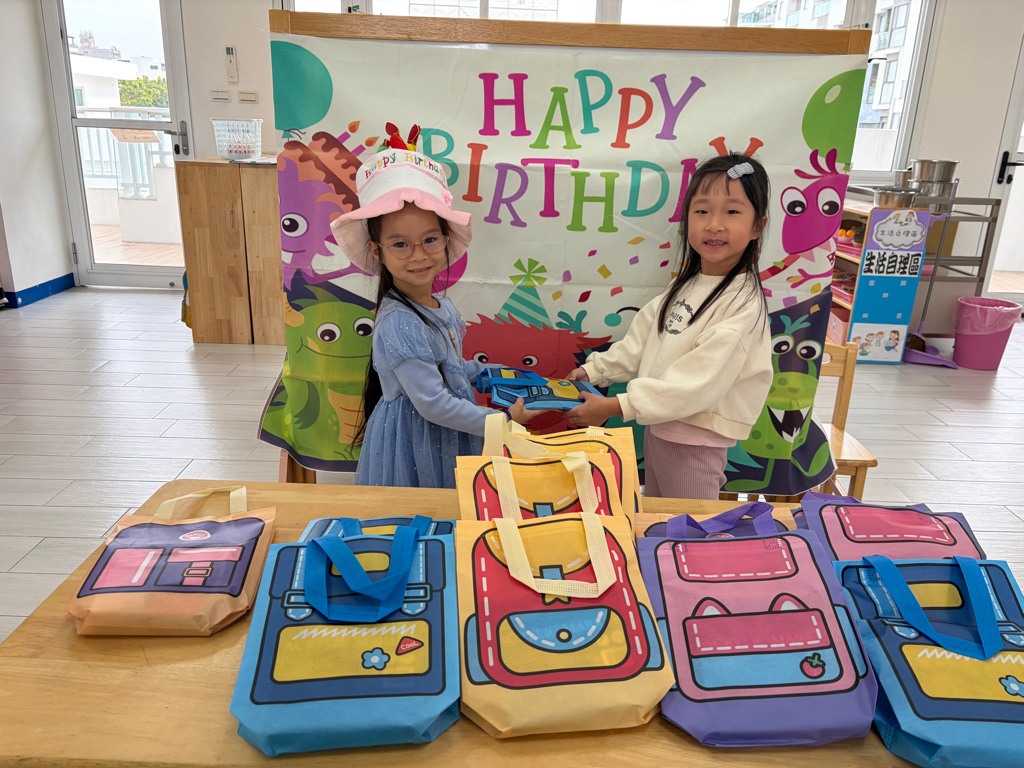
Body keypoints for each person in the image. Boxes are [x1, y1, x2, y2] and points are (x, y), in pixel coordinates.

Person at [331, 123, 534, 488]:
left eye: (429, 239)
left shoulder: (440, 305)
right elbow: (433, 403)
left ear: (445, 239)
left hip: (444, 433)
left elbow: (450, 368)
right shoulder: (400, 322)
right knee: (423, 510)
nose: (418, 255)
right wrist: (502, 422)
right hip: (417, 442)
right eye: (400, 244)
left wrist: (494, 374)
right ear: (377, 251)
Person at [564, 153, 773, 500]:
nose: (714, 224)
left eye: (732, 212)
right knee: (660, 518)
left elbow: (698, 383)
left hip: (696, 441)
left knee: (687, 525)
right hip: (661, 428)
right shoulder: (687, 285)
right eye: (701, 211)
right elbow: (643, 341)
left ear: (757, 226)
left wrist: (615, 407)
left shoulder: (742, 304)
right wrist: (594, 370)